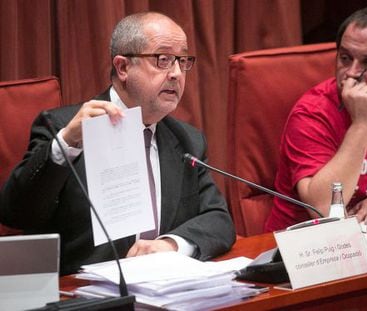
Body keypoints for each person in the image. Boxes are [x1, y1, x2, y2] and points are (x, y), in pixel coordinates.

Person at [0, 12, 236, 275]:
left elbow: (219, 220)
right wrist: (67, 143)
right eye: (164, 60)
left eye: (182, 61)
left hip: (163, 289)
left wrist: (170, 245)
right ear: (123, 67)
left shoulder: (186, 140)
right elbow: (16, 213)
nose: (177, 74)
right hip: (83, 293)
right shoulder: (63, 129)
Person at [265, 5, 367, 231]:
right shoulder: (311, 114)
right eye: (345, 58)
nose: (352, 72)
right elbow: (325, 208)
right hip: (310, 250)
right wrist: (363, 123)